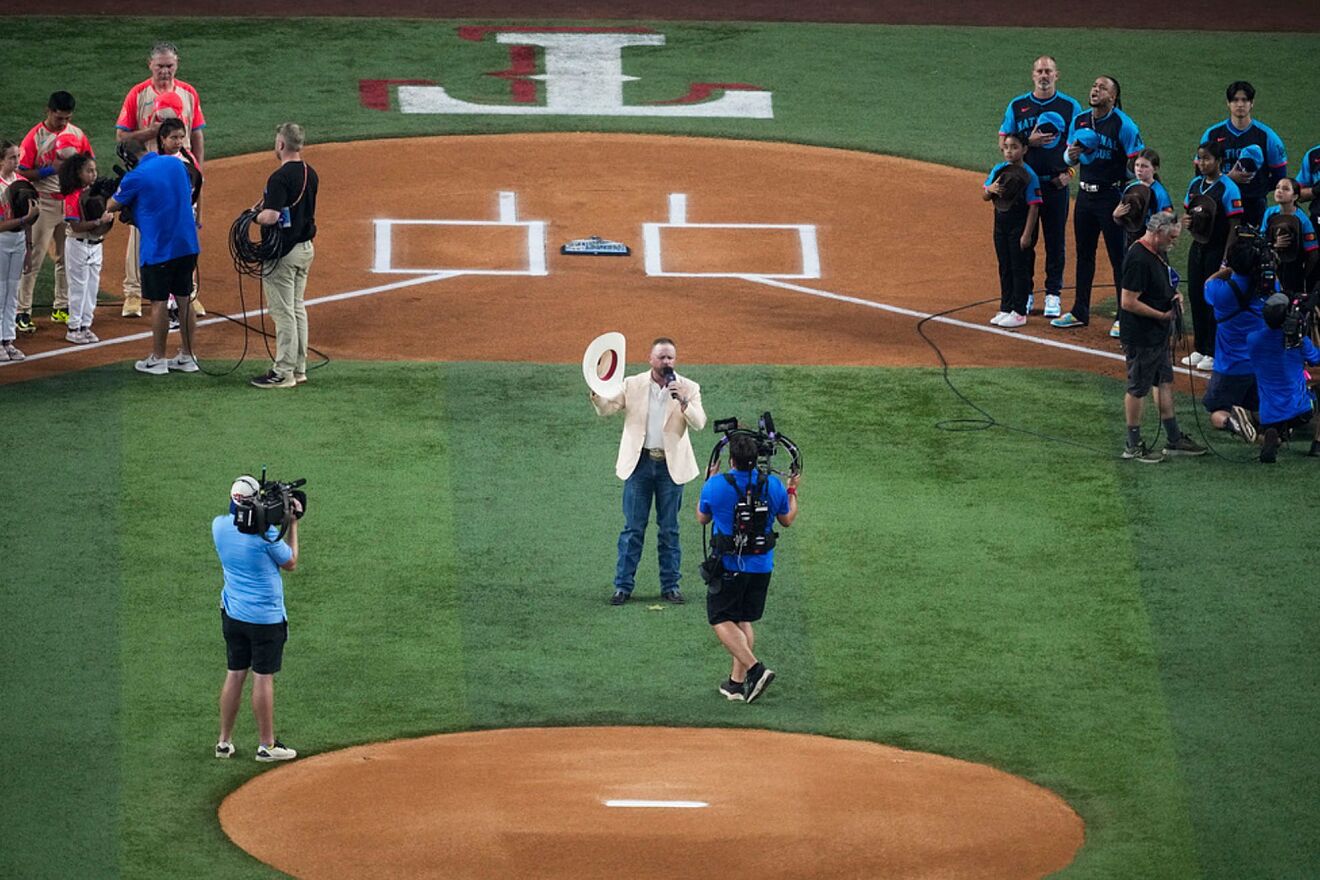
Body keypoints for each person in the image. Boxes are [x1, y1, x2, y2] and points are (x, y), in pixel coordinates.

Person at [590, 337, 707, 605]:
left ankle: (671, 586)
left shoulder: (688, 388)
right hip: (639, 465)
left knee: (669, 530)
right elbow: (606, 409)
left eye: (671, 358)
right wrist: (596, 391)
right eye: (662, 357)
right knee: (632, 528)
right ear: (650, 360)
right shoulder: (632, 384)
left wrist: (684, 401)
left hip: (670, 467)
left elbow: (700, 422)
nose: (667, 362)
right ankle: (623, 586)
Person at [696, 433, 798, 703]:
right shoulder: (774, 486)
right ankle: (736, 684)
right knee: (743, 619)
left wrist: (708, 479)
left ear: (732, 460)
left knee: (719, 618)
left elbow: (701, 517)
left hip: (729, 565)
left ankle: (755, 669)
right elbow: (787, 519)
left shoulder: (715, 486)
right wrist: (792, 490)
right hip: (762, 566)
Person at [212, 475, 302, 762]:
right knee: (263, 678)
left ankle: (224, 742)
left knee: (235, 674)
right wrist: (293, 525)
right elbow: (291, 561)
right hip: (266, 619)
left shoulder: (219, 527)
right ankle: (267, 745)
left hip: (233, 614)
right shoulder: (267, 537)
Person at [116, 41, 207, 319]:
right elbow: (122, 137)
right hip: (151, 173)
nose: (165, 71)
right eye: (160, 66)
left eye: (170, 66)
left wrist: (199, 169)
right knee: (140, 231)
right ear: (150, 65)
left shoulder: (189, 93)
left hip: (181, 173)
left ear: (176, 65)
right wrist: (150, 132)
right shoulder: (138, 94)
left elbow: (197, 133)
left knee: (184, 229)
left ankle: (188, 292)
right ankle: (132, 293)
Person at [101, 137, 200, 375]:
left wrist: (118, 192)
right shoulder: (175, 164)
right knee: (185, 299)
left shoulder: (135, 177)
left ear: (128, 158)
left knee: (158, 303)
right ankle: (188, 356)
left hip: (159, 249)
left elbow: (111, 205)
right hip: (187, 244)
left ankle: (158, 359)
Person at [1052, 75, 1143, 330]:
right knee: (1084, 254)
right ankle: (1080, 311)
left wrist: (1128, 191)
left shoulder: (1123, 125)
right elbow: (1069, 158)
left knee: (1118, 257)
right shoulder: (1080, 119)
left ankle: (1123, 316)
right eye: (1094, 86)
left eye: (1102, 88)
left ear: (1113, 97)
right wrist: (1070, 158)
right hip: (1084, 196)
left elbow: (1137, 163)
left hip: (1111, 197)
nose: (1095, 90)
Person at [998, 55, 1082, 318]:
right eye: (1039, 71)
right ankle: (1026, 293)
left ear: (1057, 75)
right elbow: (1003, 144)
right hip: (1023, 189)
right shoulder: (1018, 105)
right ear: (1033, 75)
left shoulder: (1070, 106)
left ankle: (1053, 294)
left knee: (1055, 242)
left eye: (1048, 71)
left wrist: (1070, 172)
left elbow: (1080, 145)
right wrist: (1028, 143)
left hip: (1056, 186)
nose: (1044, 76)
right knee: (1026, 241)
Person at [1118, 212, 1206, 461]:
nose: (1174, 243)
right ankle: (1132, 445)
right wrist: (1162, 315)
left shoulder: (1158, 251)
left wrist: (1175, 294)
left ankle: (1174, 438)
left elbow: (1167, 279)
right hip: (1141, 335)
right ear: (1157, 233)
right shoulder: (1138, 258)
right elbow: (1128, 302)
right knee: (1138, 388)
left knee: (1164, 381)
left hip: (1157, 334)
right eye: (1172, 237)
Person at [15, 91, 93, 334]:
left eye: (67, 118)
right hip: (45, 203)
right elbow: (22, 172)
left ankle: (61, 306)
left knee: (65, 258)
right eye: (60, 118)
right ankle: (22, 311)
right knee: (34, 258)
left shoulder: (77, 134)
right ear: (49, 111)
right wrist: (50, 170)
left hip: (69, 203)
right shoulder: (35, 138)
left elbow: (88, 161)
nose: (63, 123)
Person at [250, 123, 319, 389]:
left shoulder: (279, 177)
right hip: (305, 250)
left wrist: (252, 217)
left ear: (281, 144)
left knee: (283, 313)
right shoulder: (310, 173)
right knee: (297, 308)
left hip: (284, 254)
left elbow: (271, 216)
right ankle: (299, 368)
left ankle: (283, 372)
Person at [1180, 141, 1244, 373]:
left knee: (1214, 300)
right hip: (1198, 248)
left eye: (1207, 159)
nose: (1203, 163)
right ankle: (1199, 346)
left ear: (1219, 162)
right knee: (1196, 295)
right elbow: (1188, 213)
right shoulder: (1196, 184)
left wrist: (1226, 259)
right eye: (1200, 158)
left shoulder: (1228, 188)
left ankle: (1213, 351)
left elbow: (1234, 226)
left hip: (1217, 249)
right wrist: (1186, 222)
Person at [1201, 239, 1268, 443]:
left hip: (1230, 367)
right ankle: (1264, 425)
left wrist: (1226, 269)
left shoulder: (1220, 291)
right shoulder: (1267, 286)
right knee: (1257, 408)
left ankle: (1233, 422)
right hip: (1261, 366)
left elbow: (1207, 283)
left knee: (1216, 410)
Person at [1199, 81, 1287, 228]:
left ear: (1252, 103)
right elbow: (1199, 172)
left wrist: (1257, 188)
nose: (1240, 104)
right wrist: (1227, 179)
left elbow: (1279, 175)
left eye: (1245, 100)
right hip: (1219, 202)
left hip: (1253, 205)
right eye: (1235, 100)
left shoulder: (1267, 136)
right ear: (1228, 103)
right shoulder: (1212, 134)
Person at [1248, 294, 1320, 463]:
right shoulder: (1299, 342)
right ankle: (1318, 443)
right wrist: (1314, 327)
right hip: (1300, 412)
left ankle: (1275, 433)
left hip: (1266, 415)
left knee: (1269, 397)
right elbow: (1316, 359)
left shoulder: (1253, 340)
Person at [1110, 147, 1174, 337]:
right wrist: (1115, 216)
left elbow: (1168, 221)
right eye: (1137, 165)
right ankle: (1123, 319)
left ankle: (1161, 322)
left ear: (1154, 169)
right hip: (1131, 242)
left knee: (1155, 284)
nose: (1139, 169)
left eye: (1144, 166)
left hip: (1153, 246)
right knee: (1129, 281)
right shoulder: (1131, 187)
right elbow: (1122, 217)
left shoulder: (1159, 193)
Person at [982, 130, 1042, 328]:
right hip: (1000, 223)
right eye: (1006, 147)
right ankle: (1006, 307)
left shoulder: (1029, 175)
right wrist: (988, 190)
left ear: (1024, 149)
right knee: (1005, 265)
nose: (1009, 151)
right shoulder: (999, 170)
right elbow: (985, 195)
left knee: (1019, 268)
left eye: (1014, 147)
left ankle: (1019, 311)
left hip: (1020, 224)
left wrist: (1026, 235)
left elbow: (1034, 206)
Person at [58, 152, 114, 345]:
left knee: (92, 287)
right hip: (78, 245)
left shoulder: (93, 194)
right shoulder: (72, 197)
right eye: (89, 171)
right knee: (78, 287)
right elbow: (75, 226)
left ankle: (85, 326)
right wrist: (99, 220)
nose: (94, 174)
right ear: (78, 173)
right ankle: (73, 328)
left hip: (96, 244)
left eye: (94, 170)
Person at [0, 139, 38, 362]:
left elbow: (31, 219)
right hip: (2, 241)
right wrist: (24, 219)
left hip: (18, 241)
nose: (17, 162)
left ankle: (8, 340)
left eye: (18, 157)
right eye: (12, 158)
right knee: (0, 291)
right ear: (1, 160)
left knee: (12, 291)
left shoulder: (23, 183)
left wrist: (29, 249)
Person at [1261, 177, 1318, 294]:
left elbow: (1313, 253)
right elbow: (1262, 238)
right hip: (1271, 266)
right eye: (1277, 188)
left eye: (1285, 189)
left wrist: (1303, 274)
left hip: (1293, 272)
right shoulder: (1269, 213)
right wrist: (1274, 245)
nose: (1279, 191)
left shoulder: (1303, 220)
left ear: (1295, 197)